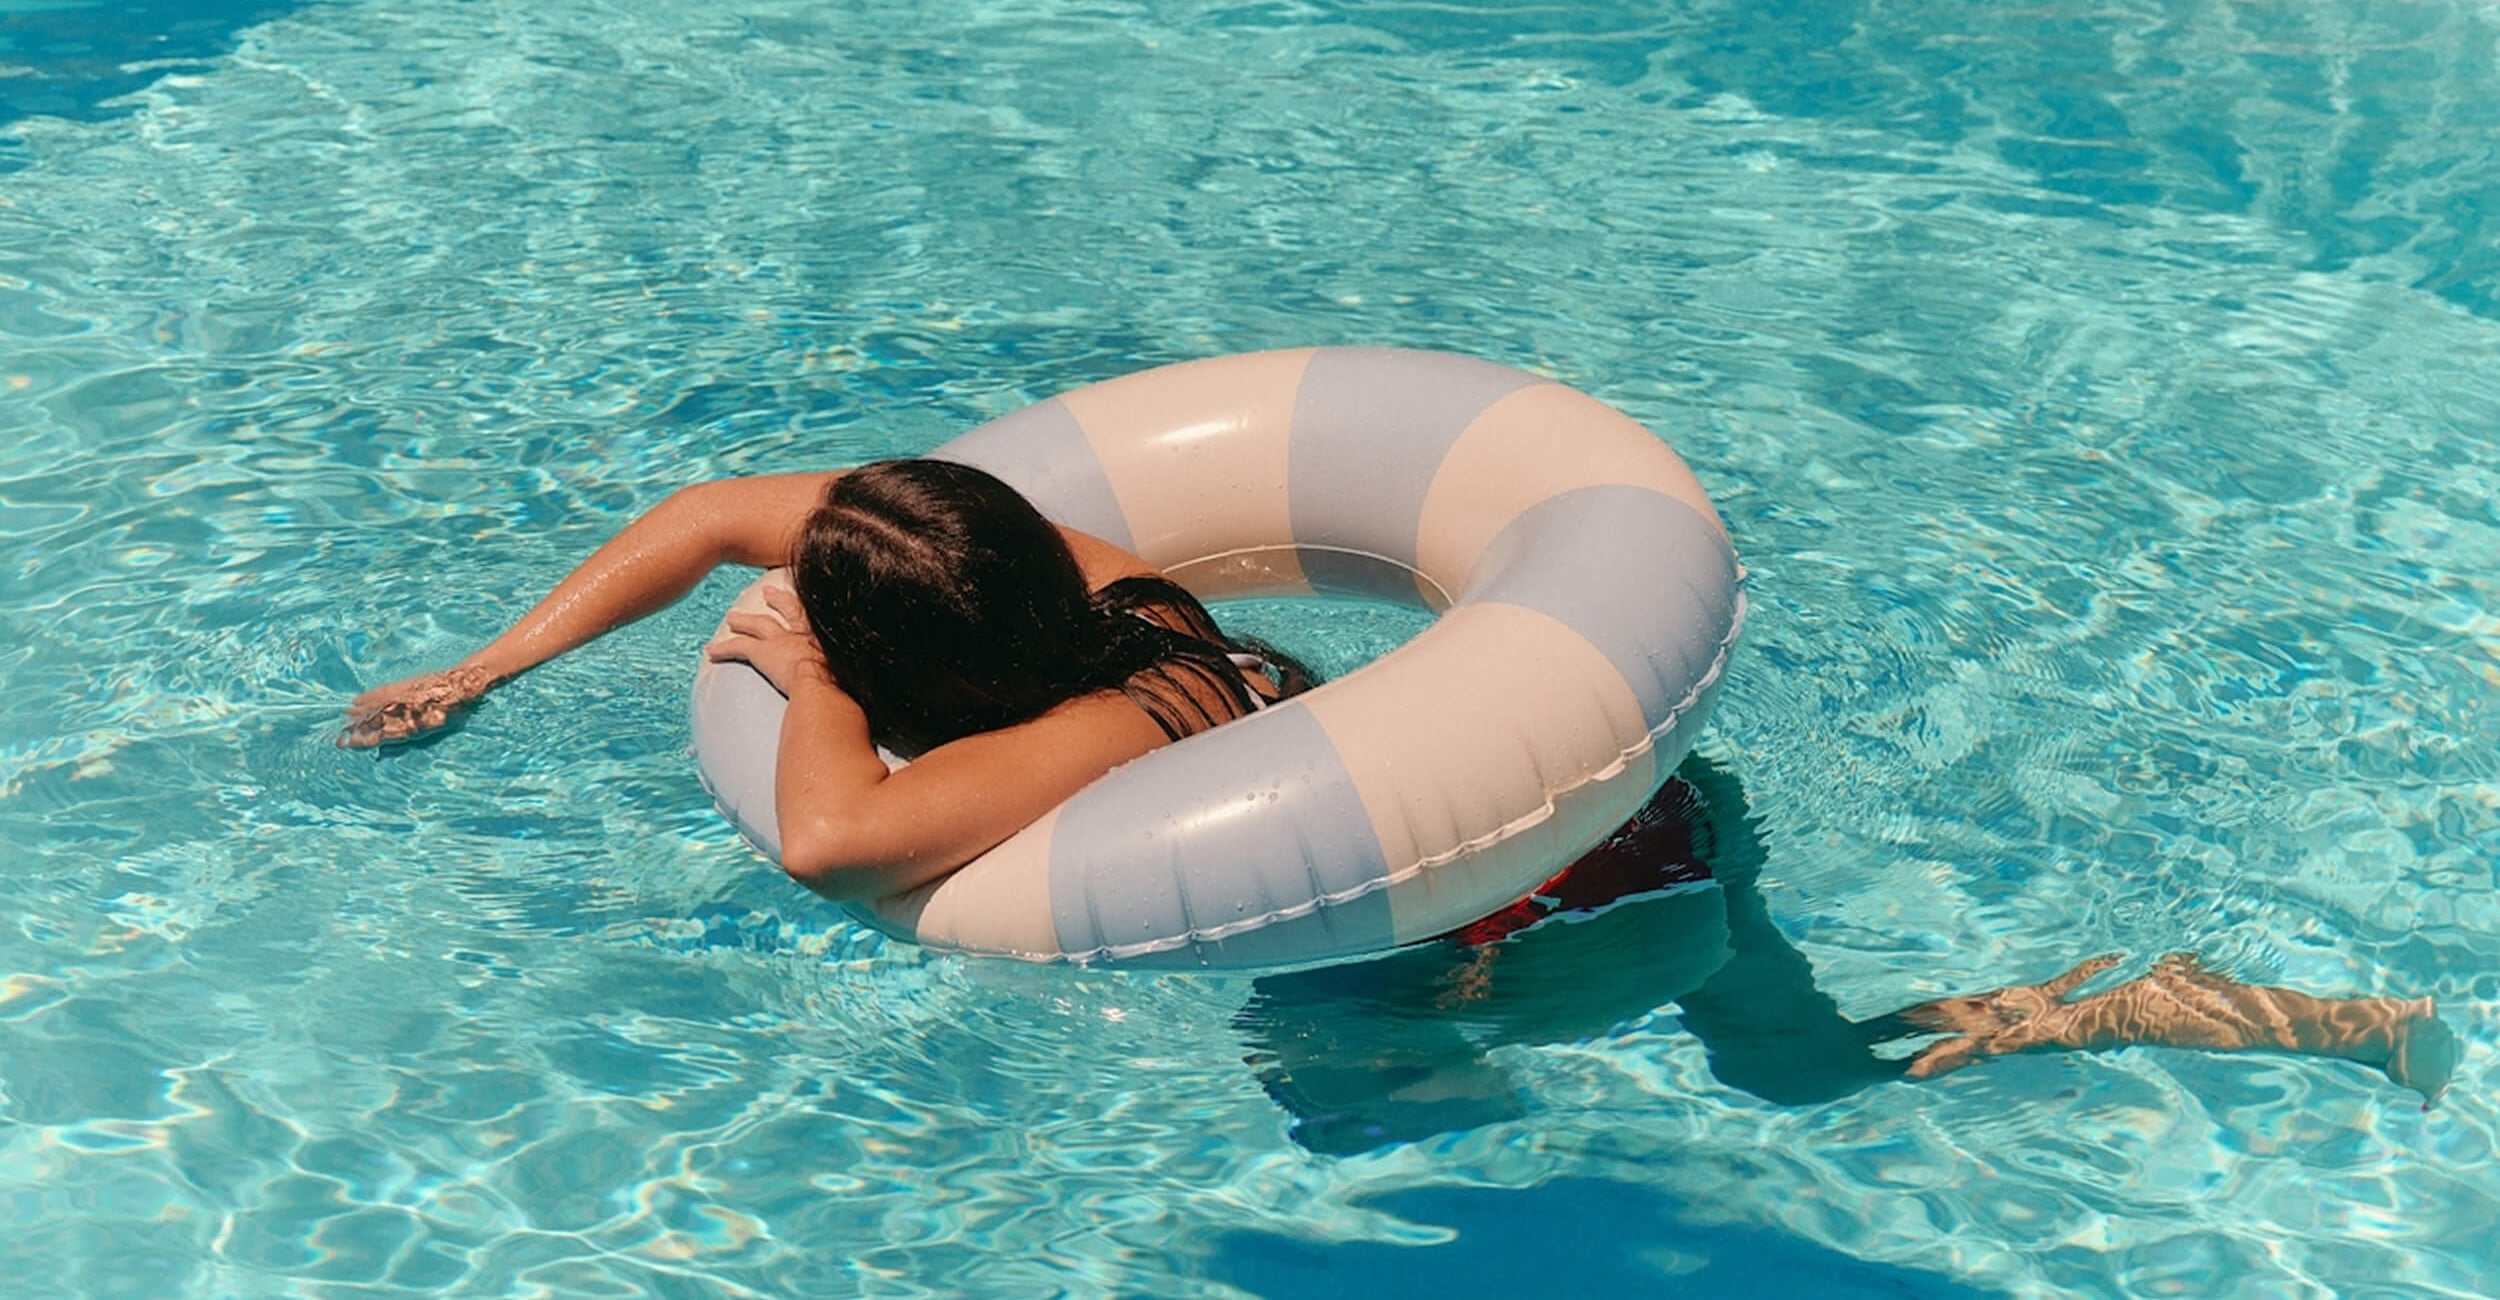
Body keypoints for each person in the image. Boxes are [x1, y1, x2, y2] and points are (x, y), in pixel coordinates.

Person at [1241, 755, 2458, 1154]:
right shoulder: (1314, 966)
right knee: (1791, 1066)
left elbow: (1470, 1054)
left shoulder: (1335, 1000)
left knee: (1780, 1058)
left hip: (1613, 900)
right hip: (1679, 814)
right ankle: (2138, 1007)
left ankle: (2119, 1008)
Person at [340, 459, 1311, 901]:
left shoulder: (1115, 723)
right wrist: (481, 671)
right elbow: (712, 514)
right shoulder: (1072, 586)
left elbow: (828, 844)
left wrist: (815, 670)